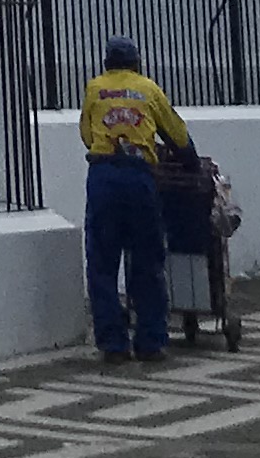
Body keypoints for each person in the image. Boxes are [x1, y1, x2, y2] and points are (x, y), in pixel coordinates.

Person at [78, 35, 195, 363]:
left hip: (102, 177)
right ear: (137, 62)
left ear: (106, 63)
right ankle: (151, 341)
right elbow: (177, 134)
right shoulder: (148, 89)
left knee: (102, 262)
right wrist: (190, 162)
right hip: (139, 178)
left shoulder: (94, 88)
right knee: (146, 259)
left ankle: (113, 344)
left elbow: (87, 135)